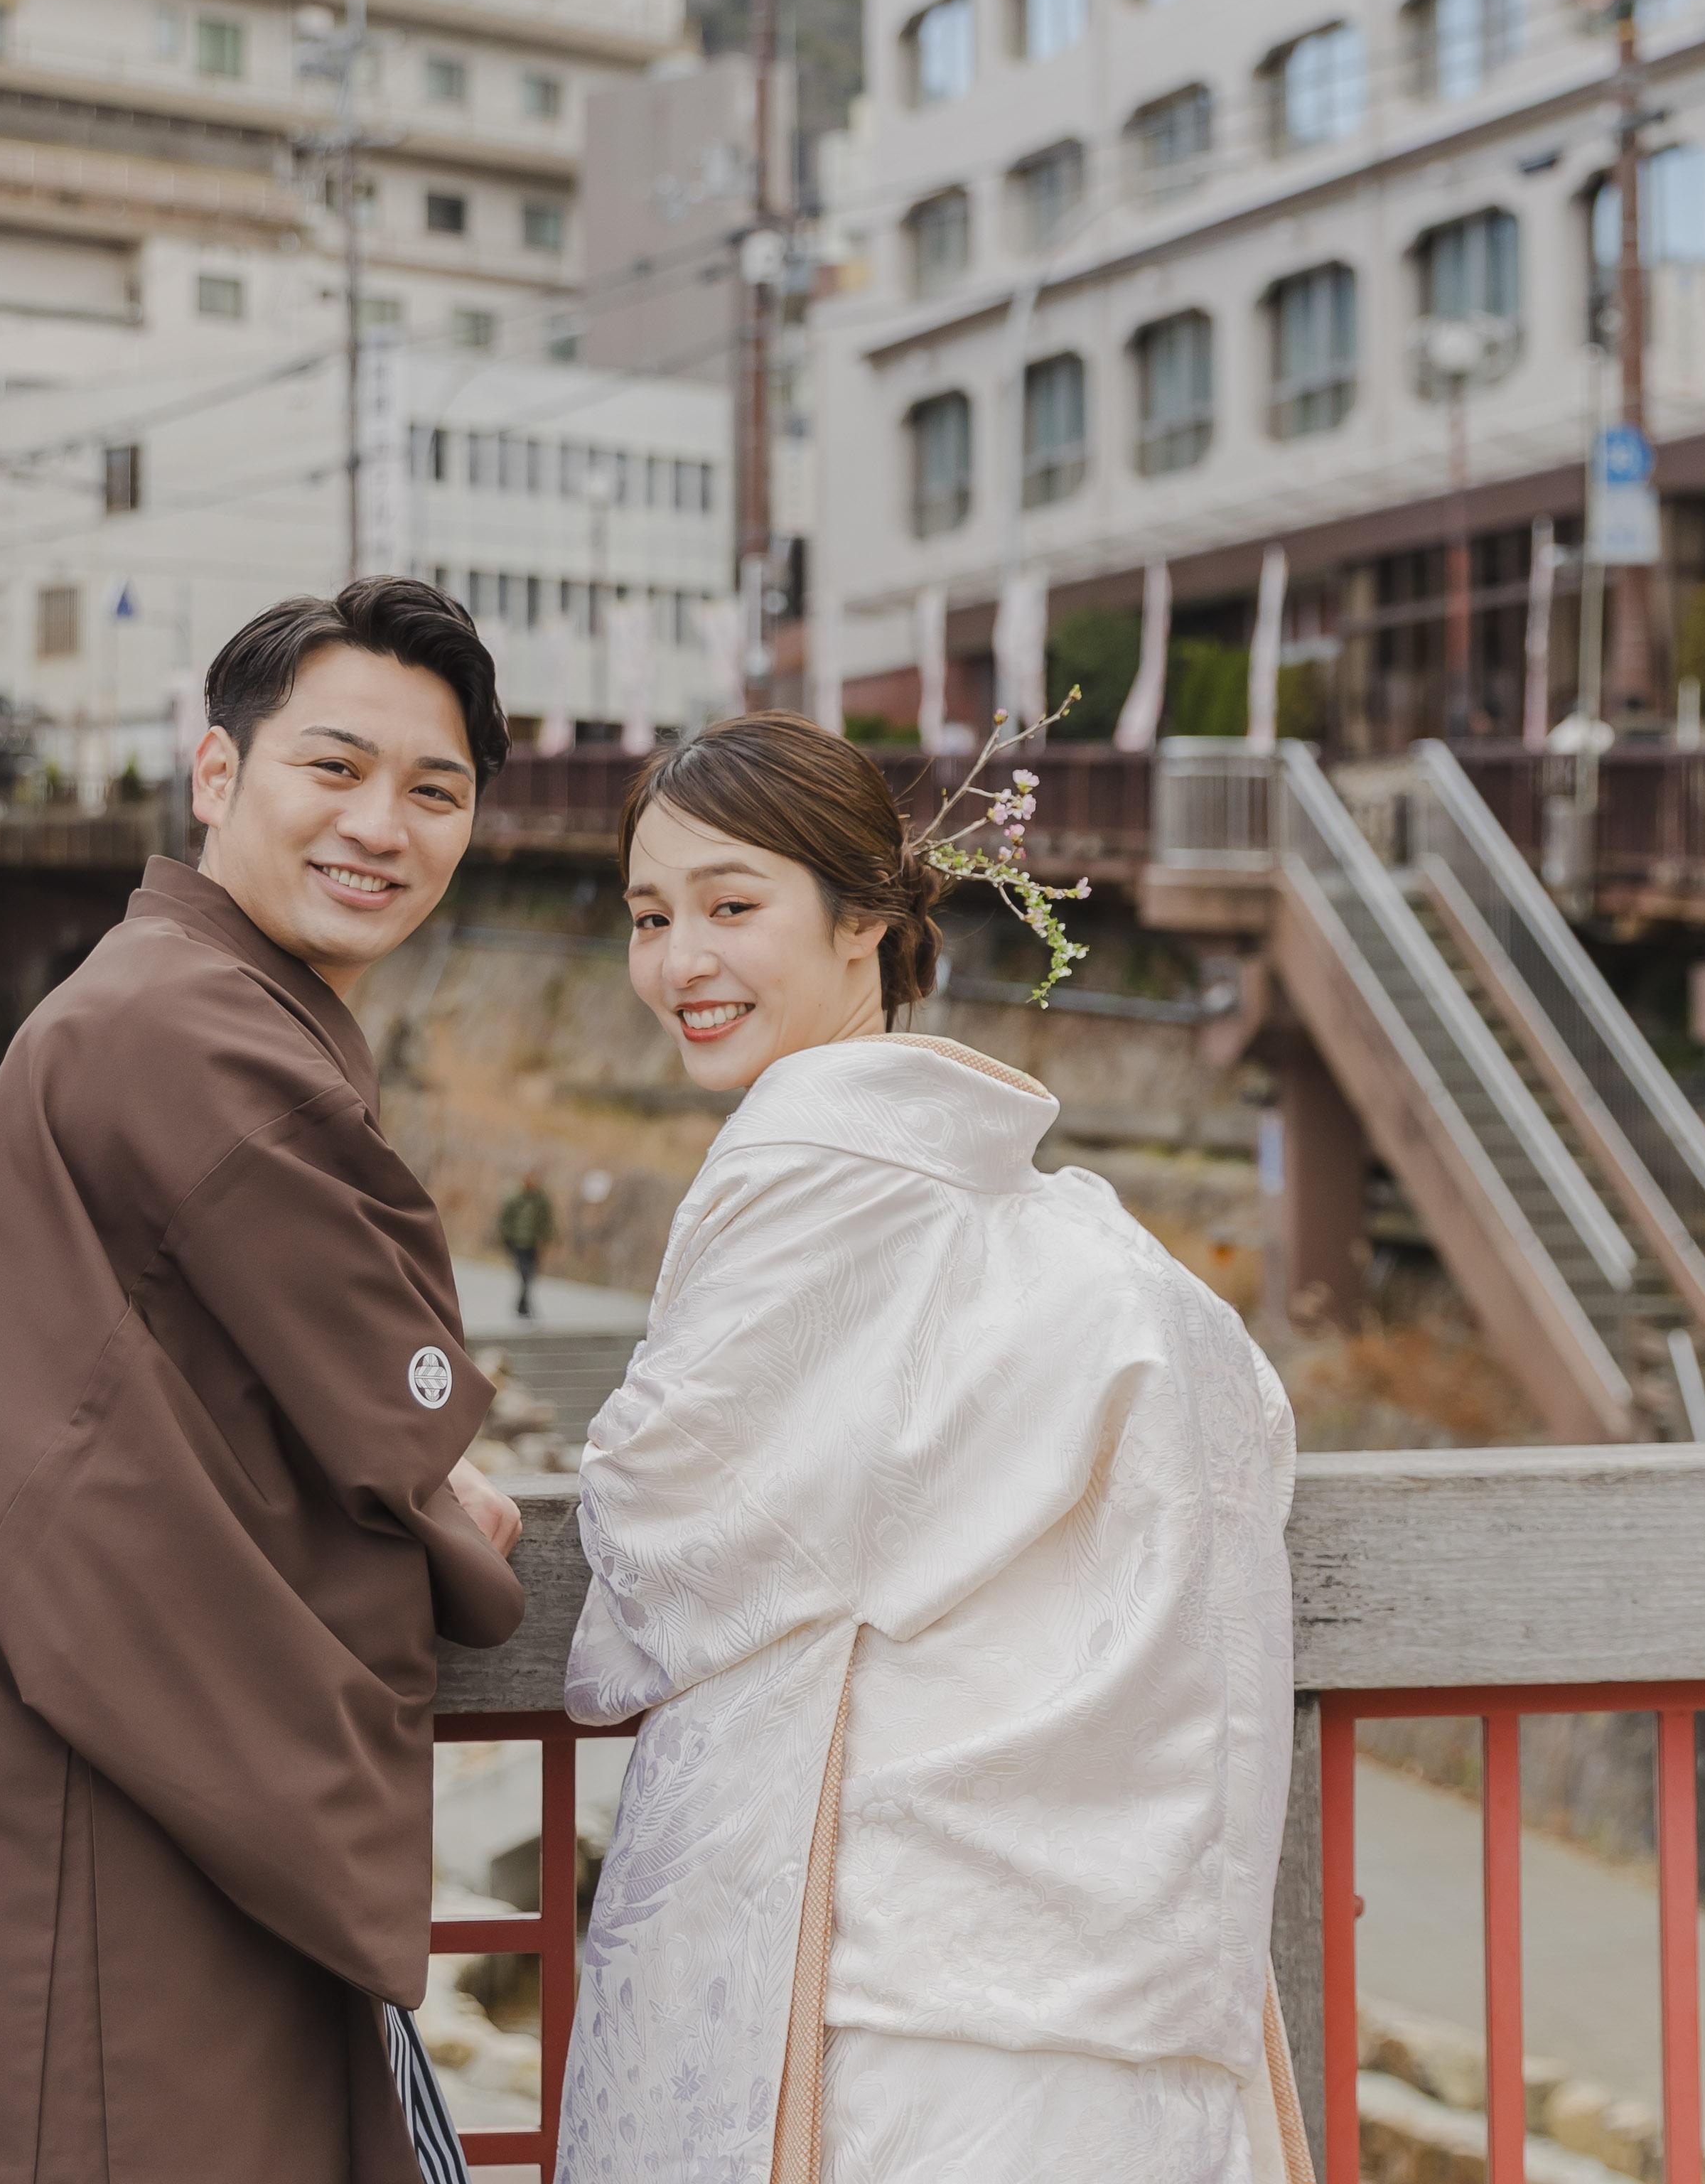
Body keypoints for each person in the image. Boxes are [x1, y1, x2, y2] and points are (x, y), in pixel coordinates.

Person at [0, 579, 527, 2184]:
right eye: (334, 767)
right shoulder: (198, 1034)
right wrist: (446, 1502)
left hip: (22, 1765)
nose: (380, 825)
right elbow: (394, 1433)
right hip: (106, 1817)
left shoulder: (148, 997)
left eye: (435, 790)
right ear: (216, 773)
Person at [554, 712, 1311, 2184]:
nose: (681, 961)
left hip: (880, 1944)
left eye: (730, 906)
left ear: (866, 919)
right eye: (650, 918)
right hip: (1074, 1914)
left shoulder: (809, 1160)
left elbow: (661, 1516)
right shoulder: (1035, 1209)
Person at [493, 1173, 554, 1320]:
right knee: (524, 1274)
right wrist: (507, 1238)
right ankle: (523, 1307)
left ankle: (523, 1305)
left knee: (529, 1275)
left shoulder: (540, 1199)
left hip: (533, 1243)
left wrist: (547, 1237)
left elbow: (546, 1220)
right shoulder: (514, 1199)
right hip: (517, 1243)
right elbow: (505, 1219)